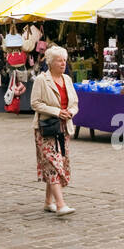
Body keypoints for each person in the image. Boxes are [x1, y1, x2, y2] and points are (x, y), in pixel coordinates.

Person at [31, 45, 79, 216]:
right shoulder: (41, 80)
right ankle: (60, 204)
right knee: (53, 163)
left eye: (64, 60)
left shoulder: (67, 79)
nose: (63, 63)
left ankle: (48, 202)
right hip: (46, 128)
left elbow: (74, 103)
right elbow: (35, 103)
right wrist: (57, 111)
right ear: (50, 62)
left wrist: (70, 112)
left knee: (60, 162)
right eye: (59, 60)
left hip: (64, 128)